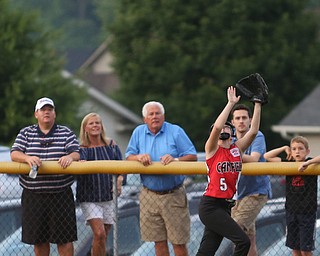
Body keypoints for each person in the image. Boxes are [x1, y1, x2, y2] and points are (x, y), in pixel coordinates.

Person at [125, 101, 197, 256]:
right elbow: (128, 156)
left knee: (178, 242)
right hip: (149, 195)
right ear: (145, 119)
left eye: (157, 113)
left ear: (163, 116)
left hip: (173, 195)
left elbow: (192, 156)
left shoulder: (176, 131)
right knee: (158, 242)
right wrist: (138, 157)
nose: (154, 117)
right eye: (150, 114)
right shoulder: (138, 132)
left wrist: (175, 160)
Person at [196, 86, 262, 256]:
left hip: (225, 206)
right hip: (210, 205)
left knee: (206, 251)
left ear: (232, 132)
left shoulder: (236, 149)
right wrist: (231, 103)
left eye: (227, 127)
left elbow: (253, 131)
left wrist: (258, 103)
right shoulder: (212, 149)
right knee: (243, 242)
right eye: (221, 128)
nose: (223, 129)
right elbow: (217, 127)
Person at [11, 97, 80, 256]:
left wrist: (70, 157)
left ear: (55, 114)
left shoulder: (65, 132)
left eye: (50, 109)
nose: (46, 112)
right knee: (39, 240)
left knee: (64, 240)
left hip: (60, 194)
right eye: (43, 109)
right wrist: (27, 158)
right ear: (36, 114)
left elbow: (76, 152)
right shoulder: (26, 132)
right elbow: (14, 153)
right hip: (33, 195)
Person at [76, 113, 124, 256]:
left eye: (97, 123)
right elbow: (77, 171)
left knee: (104, 235)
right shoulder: (81, 149)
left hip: (108, 196)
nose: (95, 125)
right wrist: (80, 164)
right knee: (99, 233)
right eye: (91, 123)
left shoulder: (111, 145)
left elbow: (122, 167)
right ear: (85, 128)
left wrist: (120, 179)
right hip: (89, 197)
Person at [264, 136, 317, 256]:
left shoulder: (312, 165)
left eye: (300, 148)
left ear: (307, 151)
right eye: (294, 149)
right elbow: (267, 156)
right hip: (291, 212)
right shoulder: (288, 163)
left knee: (305, 250)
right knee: (295, 249)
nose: (297, 151)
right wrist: (284, 148)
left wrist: (308, 162)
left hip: (307, 214)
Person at [230, 104, 272, 256]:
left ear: (250, 121)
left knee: (235, 230)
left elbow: (254, 159)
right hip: (237, 194)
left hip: (256, 192)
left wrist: (231, 153)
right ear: (233, 122)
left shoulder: (257, 135)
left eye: (244, 118)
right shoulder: (230, 137)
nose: (241, 121)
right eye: (238, 118)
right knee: (249, 238)